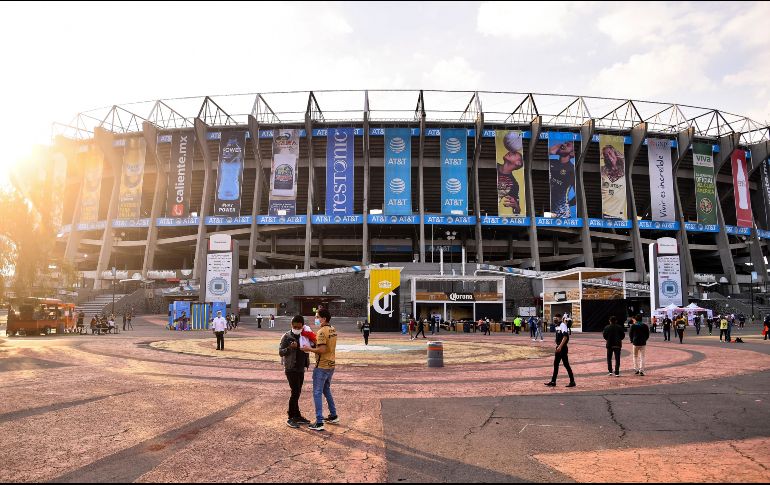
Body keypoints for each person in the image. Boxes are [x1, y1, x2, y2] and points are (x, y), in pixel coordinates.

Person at [301, 308, 338, 431]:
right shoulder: (332, 329)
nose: (316, 319)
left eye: (317, 317)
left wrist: (309, 349)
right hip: (331, 364)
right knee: (326, 389)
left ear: (324, 318)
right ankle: (333, 415)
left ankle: (319, 421)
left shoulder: (322, 331)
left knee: (317, 392)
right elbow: (326, 347)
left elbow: (322, 349)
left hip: (321, 365)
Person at [279, 315, 311, 428]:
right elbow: (281, 352)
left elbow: (312, 346)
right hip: (290, 368)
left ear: (302, 326)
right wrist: (289, 348)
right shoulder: (286, 336)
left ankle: (297, 415)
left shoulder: (305, 336)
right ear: (291, 325)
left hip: (300, 368)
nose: (296, 328)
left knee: (298, 392)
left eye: (298, 327)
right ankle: (291, 417)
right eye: (294, 326)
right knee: (295, 392)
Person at [545, 321, 575, 388]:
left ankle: (572, 381)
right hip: (559, 347)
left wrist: (560, 346)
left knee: (566, 364)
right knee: (556, 364)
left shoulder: (563, 325)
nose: (554, 320)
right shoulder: (558, 326)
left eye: (556, 318)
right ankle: (553, 381)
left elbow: (565, 337)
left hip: (562, 348)